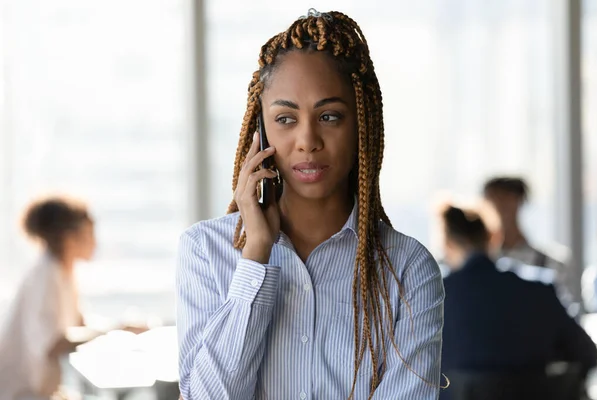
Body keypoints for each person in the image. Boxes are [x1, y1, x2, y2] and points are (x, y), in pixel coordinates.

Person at [176, 9, 444, 400]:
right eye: (285, 118)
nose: (307, 140)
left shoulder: (406, 268)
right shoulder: (205, 250)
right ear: (261, 129)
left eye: (330, 116)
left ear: (361, 126)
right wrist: (255, 257)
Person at [440, 205, 597, 400]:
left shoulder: (434, 299)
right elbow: (587, 354)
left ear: (447, 243)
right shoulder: (539, 292)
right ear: (494, 238)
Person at [0, 196, 97, 400]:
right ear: (69, 238)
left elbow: (80, 325)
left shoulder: (63, 273)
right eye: (89, 233)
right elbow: (53, 343)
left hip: (41, 390)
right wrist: (112, 332)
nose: (95, 241)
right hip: (20, 393)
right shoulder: (46, 276)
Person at [483, 177, 574, 304]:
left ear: (519, 202)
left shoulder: (551, 263)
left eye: (505, 199)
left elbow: (566, 308)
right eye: (493, 200)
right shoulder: (480, 263)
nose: (500, 207)